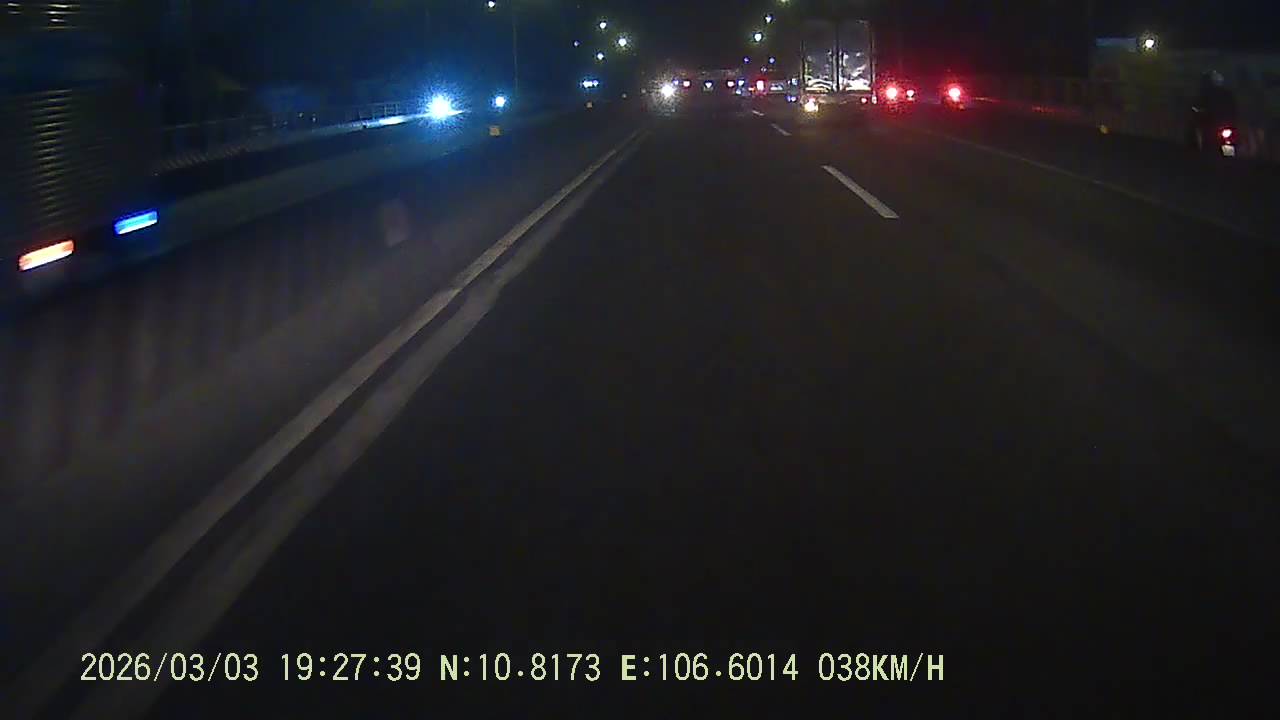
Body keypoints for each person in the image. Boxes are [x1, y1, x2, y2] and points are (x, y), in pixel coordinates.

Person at [1190, 70, 1238, 149]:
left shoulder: (1205, 94)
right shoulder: (1226, 93)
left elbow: (1196, 107)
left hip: (1217, 124)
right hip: (1218, 124)